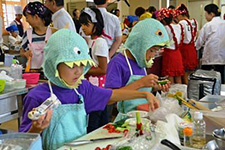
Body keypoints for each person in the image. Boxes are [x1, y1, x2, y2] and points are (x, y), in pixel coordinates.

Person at [19, 29, 160, 150]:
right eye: (72, 66)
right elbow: (24, 141)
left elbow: (112, 95)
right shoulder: (36, 96)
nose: (78, 71)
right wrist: (36, 128)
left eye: (82, 65)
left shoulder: (82, 88)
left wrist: (144, 93)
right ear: (54, 64)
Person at [105, 18, 171, 122]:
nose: (153, 55)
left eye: (156, 51)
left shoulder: (140, 61)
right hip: (126, 121)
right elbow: (108, 98)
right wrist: (141, 83)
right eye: (152, 50)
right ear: (139, 45)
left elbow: (141, 91)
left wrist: (154, 87)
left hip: (144, 117)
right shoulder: (117, 63)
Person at [79, 7, 109, 132]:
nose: (83, 27)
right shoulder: (92, 41)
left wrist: (83, 70)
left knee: (95, 124)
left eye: (86, 24)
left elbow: (103, 69)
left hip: (99, 88)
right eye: (82, 24)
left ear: (96, 24)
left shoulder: (100, 42)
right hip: (93, 87)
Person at [196, 4, 225, 83]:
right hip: (222, 59)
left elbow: (199, 42)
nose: (205, 16)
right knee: (220, 80)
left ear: (211, 14)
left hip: (209, 59)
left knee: (207, 82)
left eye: (206, 13)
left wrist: (195, 48)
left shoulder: (208, 25)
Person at [20, 2, 54, 70]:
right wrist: (25, 54)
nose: (26, 20)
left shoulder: (52, 33)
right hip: (32, 71)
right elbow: (21, 51)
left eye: (27, 17)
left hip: (49, 72)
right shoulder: (28, 34)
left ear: (36, 17)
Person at [157, 8, 184, 84]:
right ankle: (181, 93)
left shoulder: (166, 28)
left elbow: (161, 40)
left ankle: (171, 94)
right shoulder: (179, 26)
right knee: (178, 76)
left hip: (169, 54)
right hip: (177, 54)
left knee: (170, 76)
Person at [176, 4, 198, 84]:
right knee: (190, 75)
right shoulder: (194, 22)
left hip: (184, 50)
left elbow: (179, 36)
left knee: (184, 75)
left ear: (180, 14)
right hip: (192, 48)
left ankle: (186, 93)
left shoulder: (182, 23)